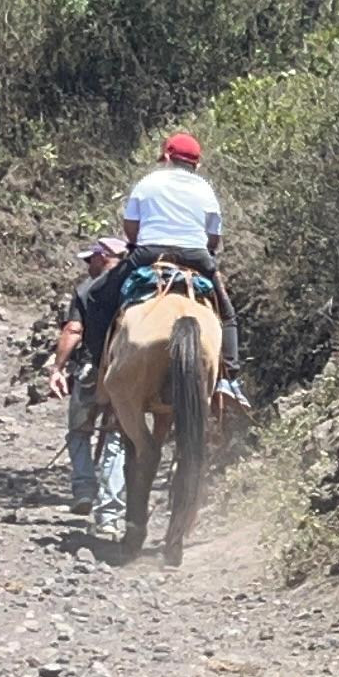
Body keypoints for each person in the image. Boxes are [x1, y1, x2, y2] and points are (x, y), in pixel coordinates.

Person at [120, 131, 245, 402]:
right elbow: (214, 238)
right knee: (227, 313)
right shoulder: (205, 189)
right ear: (196, 164)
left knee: (100, 297)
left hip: (149, 254)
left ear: (166, 157)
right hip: (196, 257)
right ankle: (229, 379)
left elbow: (130, 229)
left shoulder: (147, 183)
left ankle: (92, 366)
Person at [47, 237, 127, 513]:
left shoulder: (86, 290)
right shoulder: (137, 288)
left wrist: (57, 368)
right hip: (126, 373)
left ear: (103, 257)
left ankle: (84, 488)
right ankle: (111, 505)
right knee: (117, 434)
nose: (87, 264)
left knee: (78, 432)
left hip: (91, 369)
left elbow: (73, 330)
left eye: (90, 258)